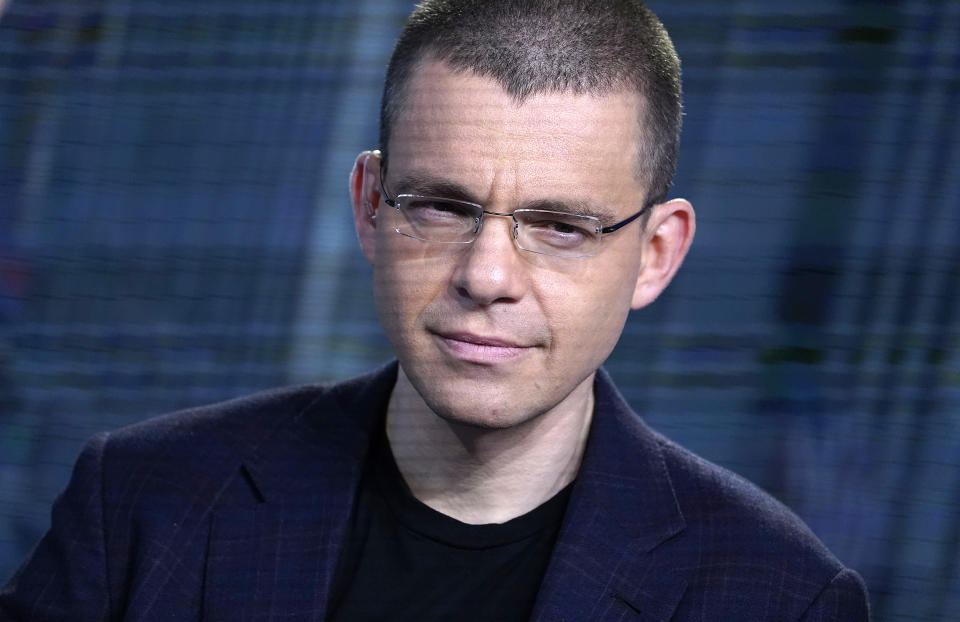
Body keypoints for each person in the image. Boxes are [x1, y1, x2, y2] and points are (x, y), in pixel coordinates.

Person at [1, 1, 870, 620]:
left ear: (655, 255)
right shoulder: (144, 501)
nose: (486, 275)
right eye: (443, 207)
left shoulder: (778, 596)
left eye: (561, 225)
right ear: (370, 203)